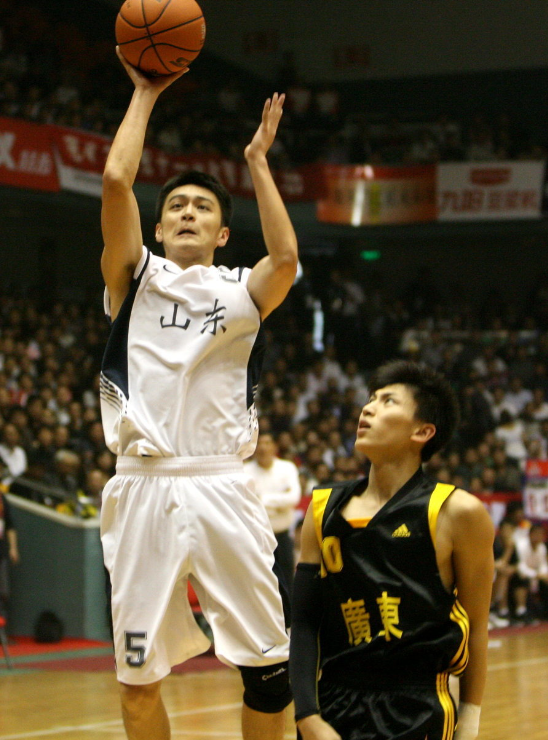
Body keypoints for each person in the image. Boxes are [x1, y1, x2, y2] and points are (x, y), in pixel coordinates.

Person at [99, 48, 298, 740]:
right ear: (157, 229)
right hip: (142, 486)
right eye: (176, 206)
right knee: (136, 684)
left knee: (269, 672)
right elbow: (116, 180)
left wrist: (257, 162)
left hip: (223, 485)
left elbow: (286, 259)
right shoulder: (133, 277)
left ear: (222, 232)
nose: (187, 212)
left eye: (202, 207)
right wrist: (147, 94)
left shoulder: (243, 290)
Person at [290, 360, 495, 740]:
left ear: (423, 431)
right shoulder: (322, 510)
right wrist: (308, 716)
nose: (368, 409)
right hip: (333, 702)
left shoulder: (458, 512)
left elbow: (477, 624)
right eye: (370, 399)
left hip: (417, 708)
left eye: (388, 402)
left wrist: (470, 718)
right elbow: (303, 623)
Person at [244, 432, 301, 594]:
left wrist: (262, 499)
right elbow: (247, 503)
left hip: (282, 536)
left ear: (275, 447)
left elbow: (293, 498)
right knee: (259, 585)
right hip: (257, 538)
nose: (263, 447)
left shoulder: (287, 468)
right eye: (259, 443)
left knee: (288, 584)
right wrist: (279, 503)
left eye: (267, 443)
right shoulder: (245, 471)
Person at [0, 491, 20, 623]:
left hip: (1, 552)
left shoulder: (2, 498)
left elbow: (10, 525)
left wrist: (13, 548)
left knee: (3, 592)